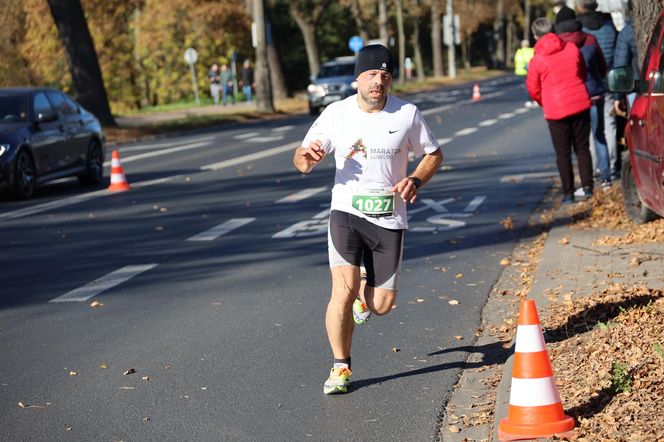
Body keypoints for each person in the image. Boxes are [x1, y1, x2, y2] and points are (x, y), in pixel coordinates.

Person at [293, 44, 443, 395]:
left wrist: (416, 179)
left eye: (386, 76)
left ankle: (366, 292)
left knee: (381, 305)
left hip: (389, 217)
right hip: (346, 212)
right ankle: (340, 366)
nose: (379, 81)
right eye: (372, 75)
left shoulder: (407, 113)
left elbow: (434, 154)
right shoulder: (336, 113)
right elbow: (301, 160)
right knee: (341, 291)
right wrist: (307, 157)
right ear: (357, 78)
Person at [526, 17, 594, 204]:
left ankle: (568, 193)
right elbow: (582, 72)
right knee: (582, 147)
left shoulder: (537, 60)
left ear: (535, 36)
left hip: (556, 110)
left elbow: (533, 89)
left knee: (562, 153)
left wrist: (544, 101)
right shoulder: (572, 49)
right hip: (579, 102)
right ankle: (588, 187)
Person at [555, 6, 612, 191]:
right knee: (599, 135)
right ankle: (606, 178)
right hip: (595, 92)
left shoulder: (560, 44)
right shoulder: (589, 39)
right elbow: (602, 67)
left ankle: (588, 180)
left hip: (574, 97)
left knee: (581, 143)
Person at [577, 0, 619, 179]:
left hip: (589, 81)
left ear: (580, 7)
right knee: (609, 125)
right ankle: (611, 163)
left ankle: (597, 166)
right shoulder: (608, 25)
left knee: (592, 127)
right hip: (609, 77)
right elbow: (616, 49)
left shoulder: (581, 31)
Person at [514, 39, 535, 107]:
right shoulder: (531, 50)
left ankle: (529, 100)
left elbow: (516, 60)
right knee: (533, 85)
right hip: (531, 70)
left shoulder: (519, 52)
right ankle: (533, 99)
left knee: (527, 86)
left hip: (522, 71)